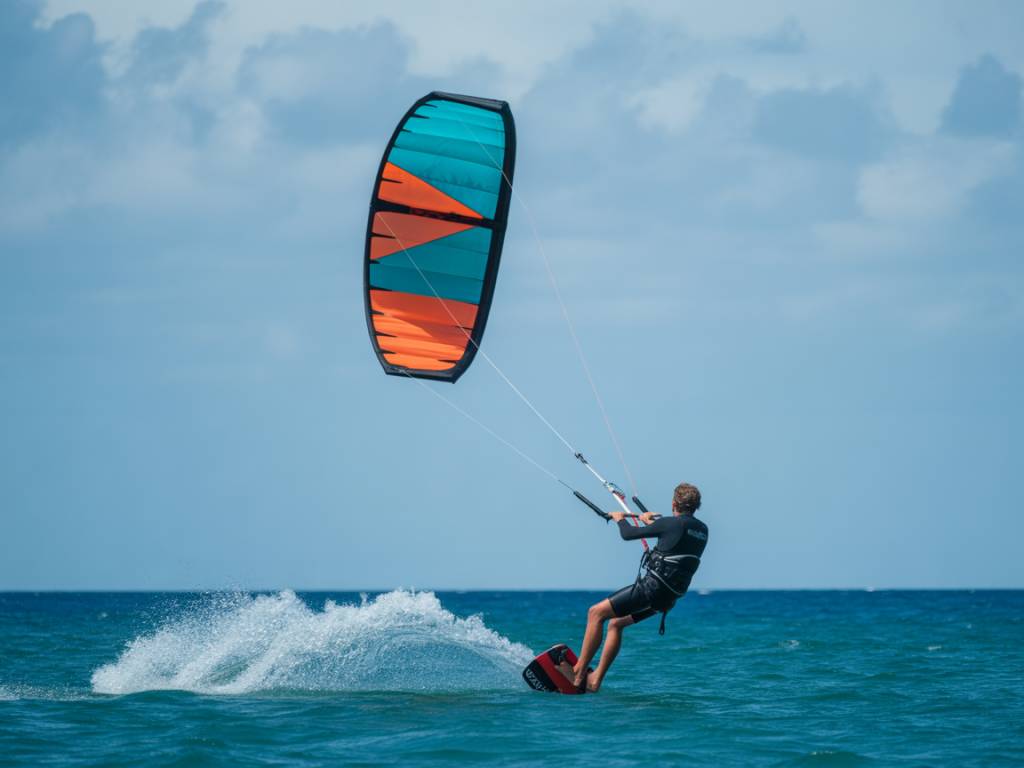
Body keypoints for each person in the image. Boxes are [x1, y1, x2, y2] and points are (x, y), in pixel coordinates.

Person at [572, 482, 708, 692]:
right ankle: (595, 679)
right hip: (668, 599)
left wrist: (618, 519)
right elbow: (672, 535)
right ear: (696, 506)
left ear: (673, 503)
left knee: (595, 613)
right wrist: (650, 521)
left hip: (651, 589)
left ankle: (579, 674)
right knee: (616, 624)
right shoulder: (702, 530)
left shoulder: (671, 524)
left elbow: (628, 534)